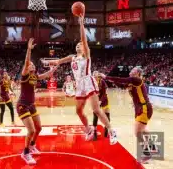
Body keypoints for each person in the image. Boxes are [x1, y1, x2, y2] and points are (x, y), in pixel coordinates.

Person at [47, 14, 117, 145]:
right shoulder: (72, 57)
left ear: (84, 47)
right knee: (78, 111)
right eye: (77, 45)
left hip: (88, 81)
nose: (79, 45)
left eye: (81, 44)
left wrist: (81, 24)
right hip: (79, 84)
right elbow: (58, 61)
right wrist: (50, 62)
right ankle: (89, 130)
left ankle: (112, 130)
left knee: (96, 109)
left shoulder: (87, 55)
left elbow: (84, 40)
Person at [99, 67, 153, 163]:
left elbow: (122, 80)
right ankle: (152, 146)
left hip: (144, 108)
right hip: (141, 108)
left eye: (133, 70)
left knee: (137, 132)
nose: (131, 71)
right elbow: (121, 85)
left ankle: (147, 154)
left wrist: (106, 77)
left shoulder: (137, 80)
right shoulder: (132, 83)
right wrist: (109, 81)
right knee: (143, 129)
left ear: (137, 73)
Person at [17, 38, 57, 165]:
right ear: (27, 68)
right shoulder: (25, 75)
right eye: (30, 65)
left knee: (39, 128)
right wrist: (29, 49)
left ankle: (32, 145)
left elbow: (46, 75)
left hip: (31, 105)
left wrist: (54, 68)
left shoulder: (35, 76)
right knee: (31, 130)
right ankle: (25, 152)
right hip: (22, 105)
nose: (32, 65)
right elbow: (27, 61)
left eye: (33, 64)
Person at [92, 71, 110, 140]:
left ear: (98, 76)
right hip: (96, 100)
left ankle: (106, 130)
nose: (95, 76)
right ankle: (94, 132)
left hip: (104, 100)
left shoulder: (102, 82)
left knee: (107, 115)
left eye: (96, 75)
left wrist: (100, 101)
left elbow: (105, 93)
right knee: (95, 116)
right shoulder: (91, 83)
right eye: (93, 75)